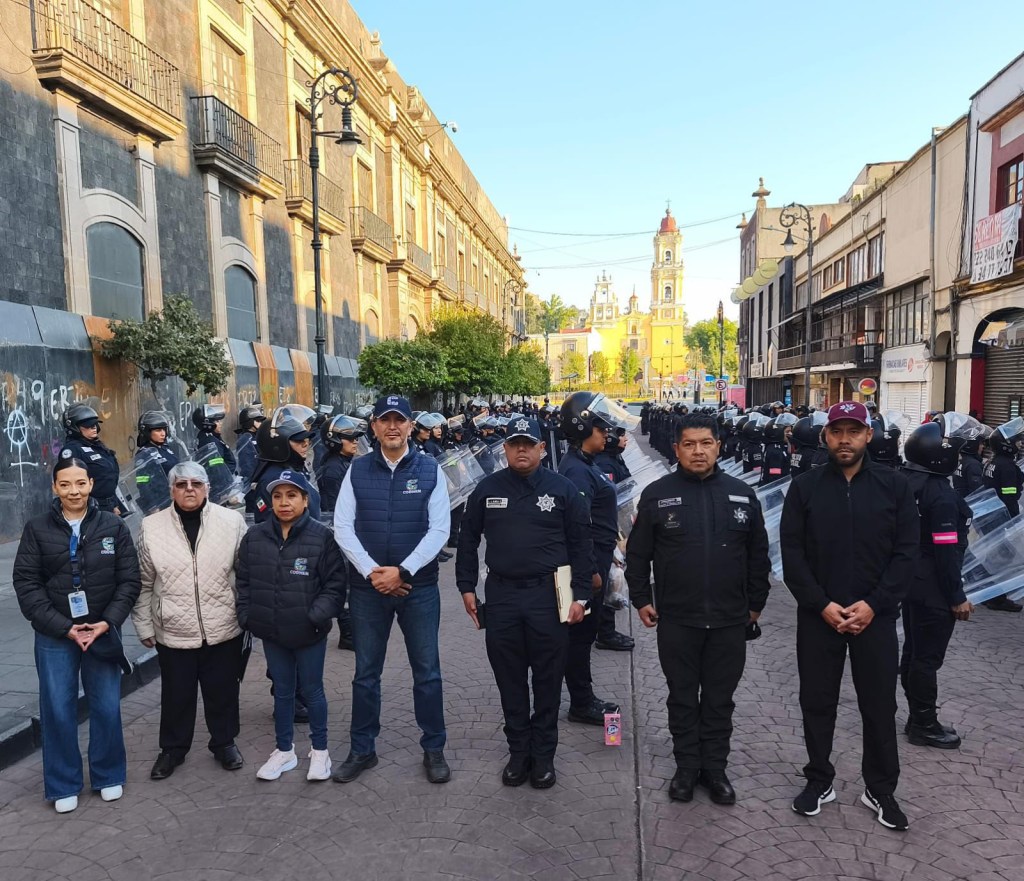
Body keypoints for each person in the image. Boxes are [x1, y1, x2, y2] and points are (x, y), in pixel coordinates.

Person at [781, 401, 919, 831]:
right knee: (817, 702)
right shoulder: (804, 487)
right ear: (825, 437)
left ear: (868, 436)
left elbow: (906, 553)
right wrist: (820, 604)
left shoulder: (895, 487)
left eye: (853, 431)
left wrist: (875, 604)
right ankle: (819, 779)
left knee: (878, 705)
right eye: (837, 431)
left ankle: (880, 789)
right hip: (818, 616)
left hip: (874, 617)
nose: (845, 438)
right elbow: (792, 555)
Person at [626, 413, 770, 805]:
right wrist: (641, 600)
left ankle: (715, 770)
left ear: (718, 446)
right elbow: (638, 555)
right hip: (677, 619)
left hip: (729, 620)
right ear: (676, 449)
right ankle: (687, 768)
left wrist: (756, 605)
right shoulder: (657, 494)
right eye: (689, 444)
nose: (698, 451)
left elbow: (759, 557)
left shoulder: (742, 493)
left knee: (720, 699)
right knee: (683, 696)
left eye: (705, 443)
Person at [456, 418, 593, 788]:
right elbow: (467, 540)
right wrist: (466, 586)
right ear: (505, 448)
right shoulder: (487, 489)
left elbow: (582, 546)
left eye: (528, 444)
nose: (521, 450)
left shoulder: (563, 490)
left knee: (548, 678)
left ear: (542, 449)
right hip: (501, 596)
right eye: (515, 443)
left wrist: (581, 596)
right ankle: (519, 753)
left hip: (550, 595)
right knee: (510, 677)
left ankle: (544, 755)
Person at [333, 395, 452, 784]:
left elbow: (439, 530)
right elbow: (343, 527)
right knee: (366, 673)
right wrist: (373, 573)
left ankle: (434, 748)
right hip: (369, 590)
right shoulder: (357, 470)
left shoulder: (430, 469)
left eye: (400, 420)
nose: (393, 427)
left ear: (410, 426)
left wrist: (402, 571)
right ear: (374, 426)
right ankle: (362, 749)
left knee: (427, 673)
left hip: (418, 589)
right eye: (385, 420)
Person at [13, 457, 140, 813]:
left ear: (91, 485)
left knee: (106, 705)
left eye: (80, 483)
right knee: (57, 709)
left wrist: (108, 622)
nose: (74, 491)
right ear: (55, 487)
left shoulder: (114, 527)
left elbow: (129, 581)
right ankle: (63, 783)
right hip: (55, 635)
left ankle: (109, 773)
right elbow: (26, 584)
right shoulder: (37, 529)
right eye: (65, 484)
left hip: (101, 631)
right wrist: (64, 627)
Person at [133, 462, 248, 780]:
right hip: (173, 627)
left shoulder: (232, 522)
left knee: (223, 691)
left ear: (207, 488)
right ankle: (172, 750)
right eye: (181, 484)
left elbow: (245, 573)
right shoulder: (151, 526)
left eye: (196, 483)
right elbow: (143, 582)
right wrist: (144, 624)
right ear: (171, 490)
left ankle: (224, 743)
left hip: (223, 624)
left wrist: (247, 614)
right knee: (176, 694)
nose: (189, 489)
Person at [237, 470, 345, 782]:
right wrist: (249, 616)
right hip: (272, 631)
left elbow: (336, 586)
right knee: (282, 692)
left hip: (308, 632)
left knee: (312, 691)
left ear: (305, 499)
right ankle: (284, 751)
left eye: (292, 495)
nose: (284, 502)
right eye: (277, 496)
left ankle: (320, 750)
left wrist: (315, 616)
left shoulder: (321, 537)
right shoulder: (255, 537)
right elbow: (243, 582)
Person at [558, 392, 637, 724]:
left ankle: (582, 696)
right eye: (600, 427)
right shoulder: (577, 470)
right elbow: (579, 526)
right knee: (579, 637)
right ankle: (581, 701)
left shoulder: (584, 463)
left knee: (583, 636)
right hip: (585, 567)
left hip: (596, 560)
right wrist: (589, 572)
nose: (607, 433)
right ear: (583, 427)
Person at [898, 419, 972, 750]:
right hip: (934, 589)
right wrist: (956, 596)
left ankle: (917, 717)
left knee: (914, 652)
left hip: (913, 581)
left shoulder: (909, 481)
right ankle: (925, 724)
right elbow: (946, 551)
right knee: (927, 659)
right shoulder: (940, 494)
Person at [317, 414, 366, 650]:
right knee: (344, 584)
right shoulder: (333, 469)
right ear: (335, 440)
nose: (355, 442)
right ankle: (347, 633)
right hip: (340, 533)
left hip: (349, 530)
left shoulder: (344, 463)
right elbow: (335, 508)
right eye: (350, 438)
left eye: (356, 438)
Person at [591, 429, 636, 652]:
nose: (625, 439)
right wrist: (620, 536)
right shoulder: (605, 465)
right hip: (611, 530)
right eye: (621, 435)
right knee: (610, 579)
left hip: (615, 528)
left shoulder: (611, 459)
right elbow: (612, 502)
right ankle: (605, 632)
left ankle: (606, 629)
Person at [247, 406, 321, 524]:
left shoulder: (293, 469)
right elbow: (270, 529)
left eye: (306, 441)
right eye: (298, 440)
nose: (305, 445)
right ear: (278, 445)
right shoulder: (272, 480)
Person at [58, 404, 123, 515]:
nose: (94, 428)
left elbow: (107, 479)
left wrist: (114, 504)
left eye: (95, 424)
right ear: (74, 427)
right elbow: (71, 485)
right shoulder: (72, 451)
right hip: (90, 510)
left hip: (109, 507)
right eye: (88, 425)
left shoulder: (97, 446)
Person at [133, 410, 180, 514]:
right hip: (160, 504)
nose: (163, 433)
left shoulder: (166, 449)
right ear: (148, 432)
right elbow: (142, 483)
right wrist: (153, 506)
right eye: (158, 430)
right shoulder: (144, 453)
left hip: (174, 499)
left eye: (164, 429)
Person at [235, 403, 266, 488]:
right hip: (252, 484)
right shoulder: (245, 439)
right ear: (249, 422)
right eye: (258, 421)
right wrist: (251, 482)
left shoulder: (257, 436)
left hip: (261, 480)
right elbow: (246, 464)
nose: (260, 423)